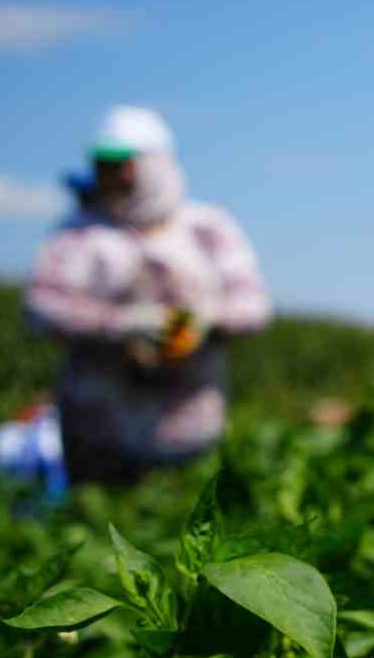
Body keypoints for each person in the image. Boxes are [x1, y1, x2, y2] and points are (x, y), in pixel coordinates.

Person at [25, 105, 272, 484]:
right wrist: (120, 323)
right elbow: (42, 305)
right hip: (97, 431)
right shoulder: (78, 234)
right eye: (102, 163)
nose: (109, 174)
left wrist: (205, 319)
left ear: (154, 163)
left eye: (121, 162)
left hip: (188, 428)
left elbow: (254, 304)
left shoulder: (205, 228)